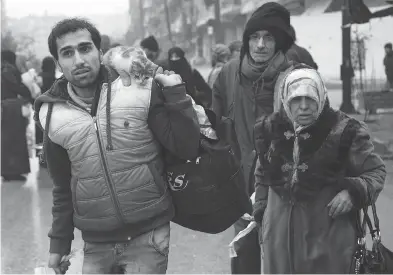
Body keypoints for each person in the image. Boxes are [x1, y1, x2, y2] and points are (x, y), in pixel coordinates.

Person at [34, 18, 200, 274]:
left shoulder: (138, 89)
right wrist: (59, 243)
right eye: (67, 53)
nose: (78, 60)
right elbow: (63, 186)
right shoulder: (52, 115)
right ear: (58, 63)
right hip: (95, 242)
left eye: (85, 48)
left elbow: (186, 147)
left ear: (99, 53)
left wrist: (176, 95)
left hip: (149, 235)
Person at [253, 66, 386, 273]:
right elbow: (262, 174)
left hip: (329, 240)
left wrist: (352, 193)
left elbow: (376, 172)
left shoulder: (346, 132)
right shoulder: (271, 129)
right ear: (285, 99)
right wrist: (261, 213)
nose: (304, 107)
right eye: (296, 99)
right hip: (278, 241)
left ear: (321, 97)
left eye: (311, 99)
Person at [212, 2, 295, 273]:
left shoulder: (296, 77)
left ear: (279, 41)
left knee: (283, 255)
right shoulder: (228, 74)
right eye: (254, 37)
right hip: (242, 181)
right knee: (245, 252)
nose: (260, 45)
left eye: (268, 37)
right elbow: (216, 125)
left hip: (285, 184)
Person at [1, 50, 34, 181]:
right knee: (15, 138)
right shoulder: (8, 70)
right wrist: (28, 95)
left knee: (6, 139)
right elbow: (16, 86)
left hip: (4, 105)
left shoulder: (2, 68)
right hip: (12, 107)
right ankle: (13, 170)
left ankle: (6, 170)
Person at [35, 56, 57, 147]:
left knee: (40, 125)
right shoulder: (55, 78)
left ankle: (40, 145)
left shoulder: (39, 77)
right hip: (52, 105)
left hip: (40, 104)